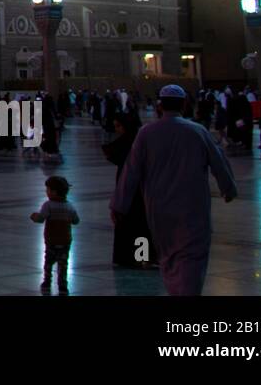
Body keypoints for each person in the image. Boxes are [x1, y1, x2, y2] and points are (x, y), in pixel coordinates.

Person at [110, 84, 236, 296]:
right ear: (185, 104)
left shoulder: (146, 133)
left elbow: (130, 171)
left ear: (160, 105)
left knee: (168, 258)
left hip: (159, 209)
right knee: (193, 258)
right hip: (193, 208)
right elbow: (219, 162)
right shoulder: (197, 131)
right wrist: (228, 189)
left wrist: (118, 205)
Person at [102, 113, 152, 268]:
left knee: (135, 224)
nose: (117, 130)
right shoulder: (136, 141)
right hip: (138, 190)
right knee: (138, 225)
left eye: (119, 126)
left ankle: (135, 257)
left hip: (133, 189)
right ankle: (139, 257)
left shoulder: (131, 144)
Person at [31, 176, 80, 294]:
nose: (46, 192)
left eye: (47, 190)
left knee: (48, 262)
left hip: (51, 240)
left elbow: (41, 218)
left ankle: (47, 282)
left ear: (54, 192)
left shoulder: (48, 205)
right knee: (63, 264)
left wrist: (34, 216)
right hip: (65, 241)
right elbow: (76, 220)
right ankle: (63, 285)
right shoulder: (70, 206)